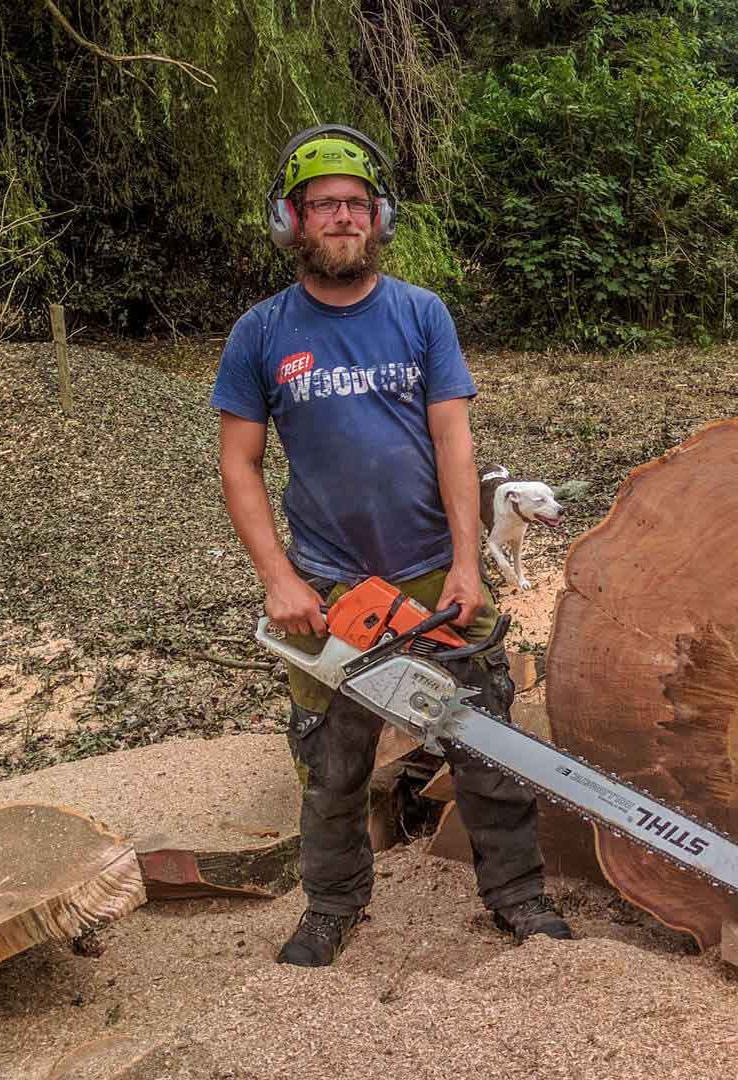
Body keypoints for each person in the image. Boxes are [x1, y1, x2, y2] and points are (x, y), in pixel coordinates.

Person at [210, 124, 574, 966]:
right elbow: (239, 466)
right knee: (332, 765)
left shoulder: (421, 314)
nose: (340, 218)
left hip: (427, 572)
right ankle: (333, 907)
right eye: (321, 206)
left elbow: (456, 446)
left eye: (353, 204)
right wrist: (278, 578)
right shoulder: (260, 334)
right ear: (290, 221)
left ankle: (517, 899)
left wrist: (463, 562)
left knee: (486, 746)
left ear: (379, 217)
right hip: (329, 589)